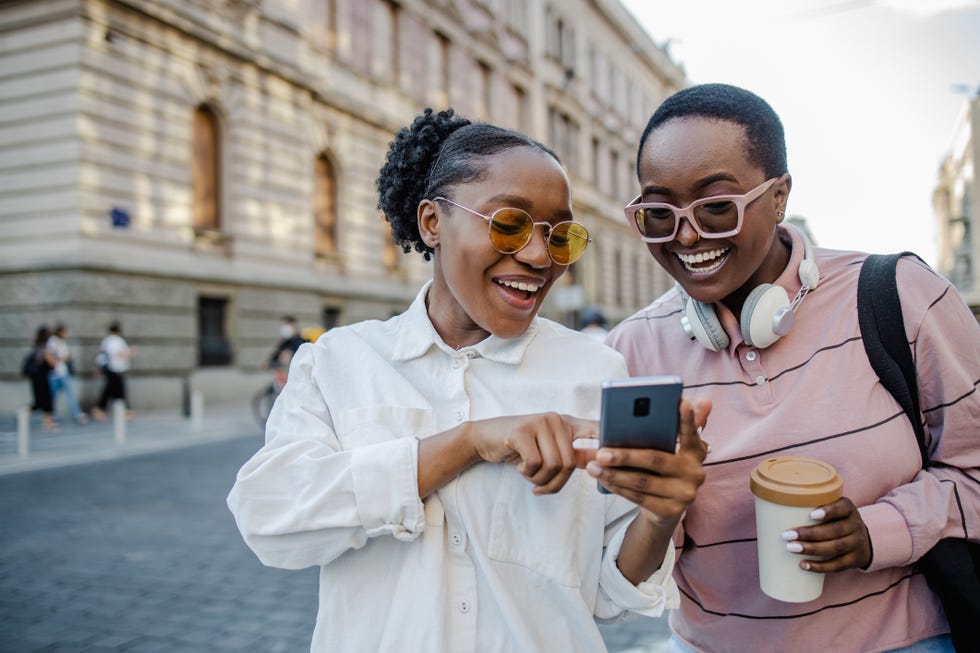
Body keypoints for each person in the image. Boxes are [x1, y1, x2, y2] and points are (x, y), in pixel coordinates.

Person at [227, 108, 710, 652]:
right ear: (433, 222)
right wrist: (468, 442)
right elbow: (271, 520)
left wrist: (661, 511)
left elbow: (612, 591)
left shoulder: (596, 371)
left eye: (560, 237)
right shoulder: (341, 362)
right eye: (509, 224)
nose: (537, 256)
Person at [606, 83, 980, 653]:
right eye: (659, 213)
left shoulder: (902, 296)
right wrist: (661, 511)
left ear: (779, 196)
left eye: (716, 207)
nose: (685, 235)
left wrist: (878, 532)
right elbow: (621, 578)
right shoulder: (631, 351)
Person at [46, 323, 88, 425]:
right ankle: (50, 415)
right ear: (60, 332)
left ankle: (77, 414)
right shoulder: (53, 341)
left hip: (63, 373)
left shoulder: (62, 342)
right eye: (65, 332)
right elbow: (50, 357)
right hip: (55, 374)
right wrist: (66, 358)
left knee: (69, 394)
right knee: (53, 395)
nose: (67, 334)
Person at [91, 321, 132, 421]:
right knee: (111, 391)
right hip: (114, 369)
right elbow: (119, 354)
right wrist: (130, 353)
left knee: (116, 391)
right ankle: (100, 409)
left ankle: (125, 410)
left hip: (113, 369)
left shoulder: (107, 340)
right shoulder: (115, 340)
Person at [25, 324, 57, 431]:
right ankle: (48, 423)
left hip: (36, 377)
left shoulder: (38, 346)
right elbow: (52, 364)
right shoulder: (46, 347)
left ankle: (25, 412)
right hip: (42, 377)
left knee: (39, 402)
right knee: (46, 400)